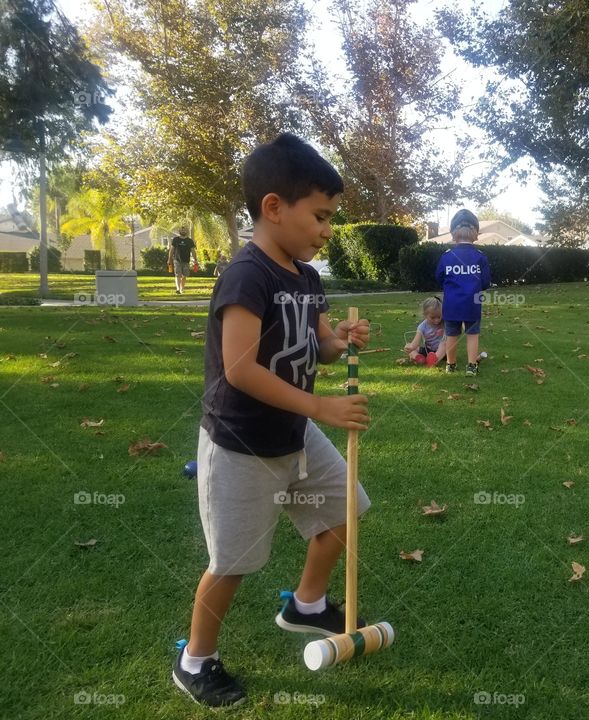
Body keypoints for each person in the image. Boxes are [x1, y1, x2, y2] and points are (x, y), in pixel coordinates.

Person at [172, 133, 372, 707]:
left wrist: (340, 340)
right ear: (274, 208)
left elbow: (320, 348)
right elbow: (238, 368)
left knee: (345, 510)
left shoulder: (307, 279)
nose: (328, 230)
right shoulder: (246, 275)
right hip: (241, 445)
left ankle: (306, 604)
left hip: (295, 435)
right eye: (321, 216)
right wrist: (321, 408)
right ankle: (196, 659)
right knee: (232, 564)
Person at [435, 208, 490, 376]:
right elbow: (486, 282)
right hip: (472, 303)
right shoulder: (480, 257)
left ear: (453, 232)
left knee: (451, 334)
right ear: (475, 232)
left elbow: (439, 277)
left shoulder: (446, 256)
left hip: (451, 304)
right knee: (472, 334)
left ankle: (450, 365)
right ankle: (471, 366)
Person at [403, 296, 446, 367]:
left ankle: (434, 359)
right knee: (409, 346)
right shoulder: (422, 326)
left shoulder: (444, 323)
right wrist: (410, 347)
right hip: (428, 351)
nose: (437, 320)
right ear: (425, 315)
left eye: (439, 317)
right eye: (433, 317)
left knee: (444, 343)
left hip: (443, 353)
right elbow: (415, 342)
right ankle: (418, 357)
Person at [168, 226, 200, 295]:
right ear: (179, 231)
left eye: (184, 230)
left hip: (186, 260)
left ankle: (182, 288)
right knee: (178, 275)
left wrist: (195, 260)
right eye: (182, 230)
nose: (183, 231)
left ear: (186, 231)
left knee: (184, 276)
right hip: (177, 260)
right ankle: (178, 289)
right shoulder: (176, 239)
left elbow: (193, 251)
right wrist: (169, 259)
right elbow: (172, 250)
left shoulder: (189, 241)